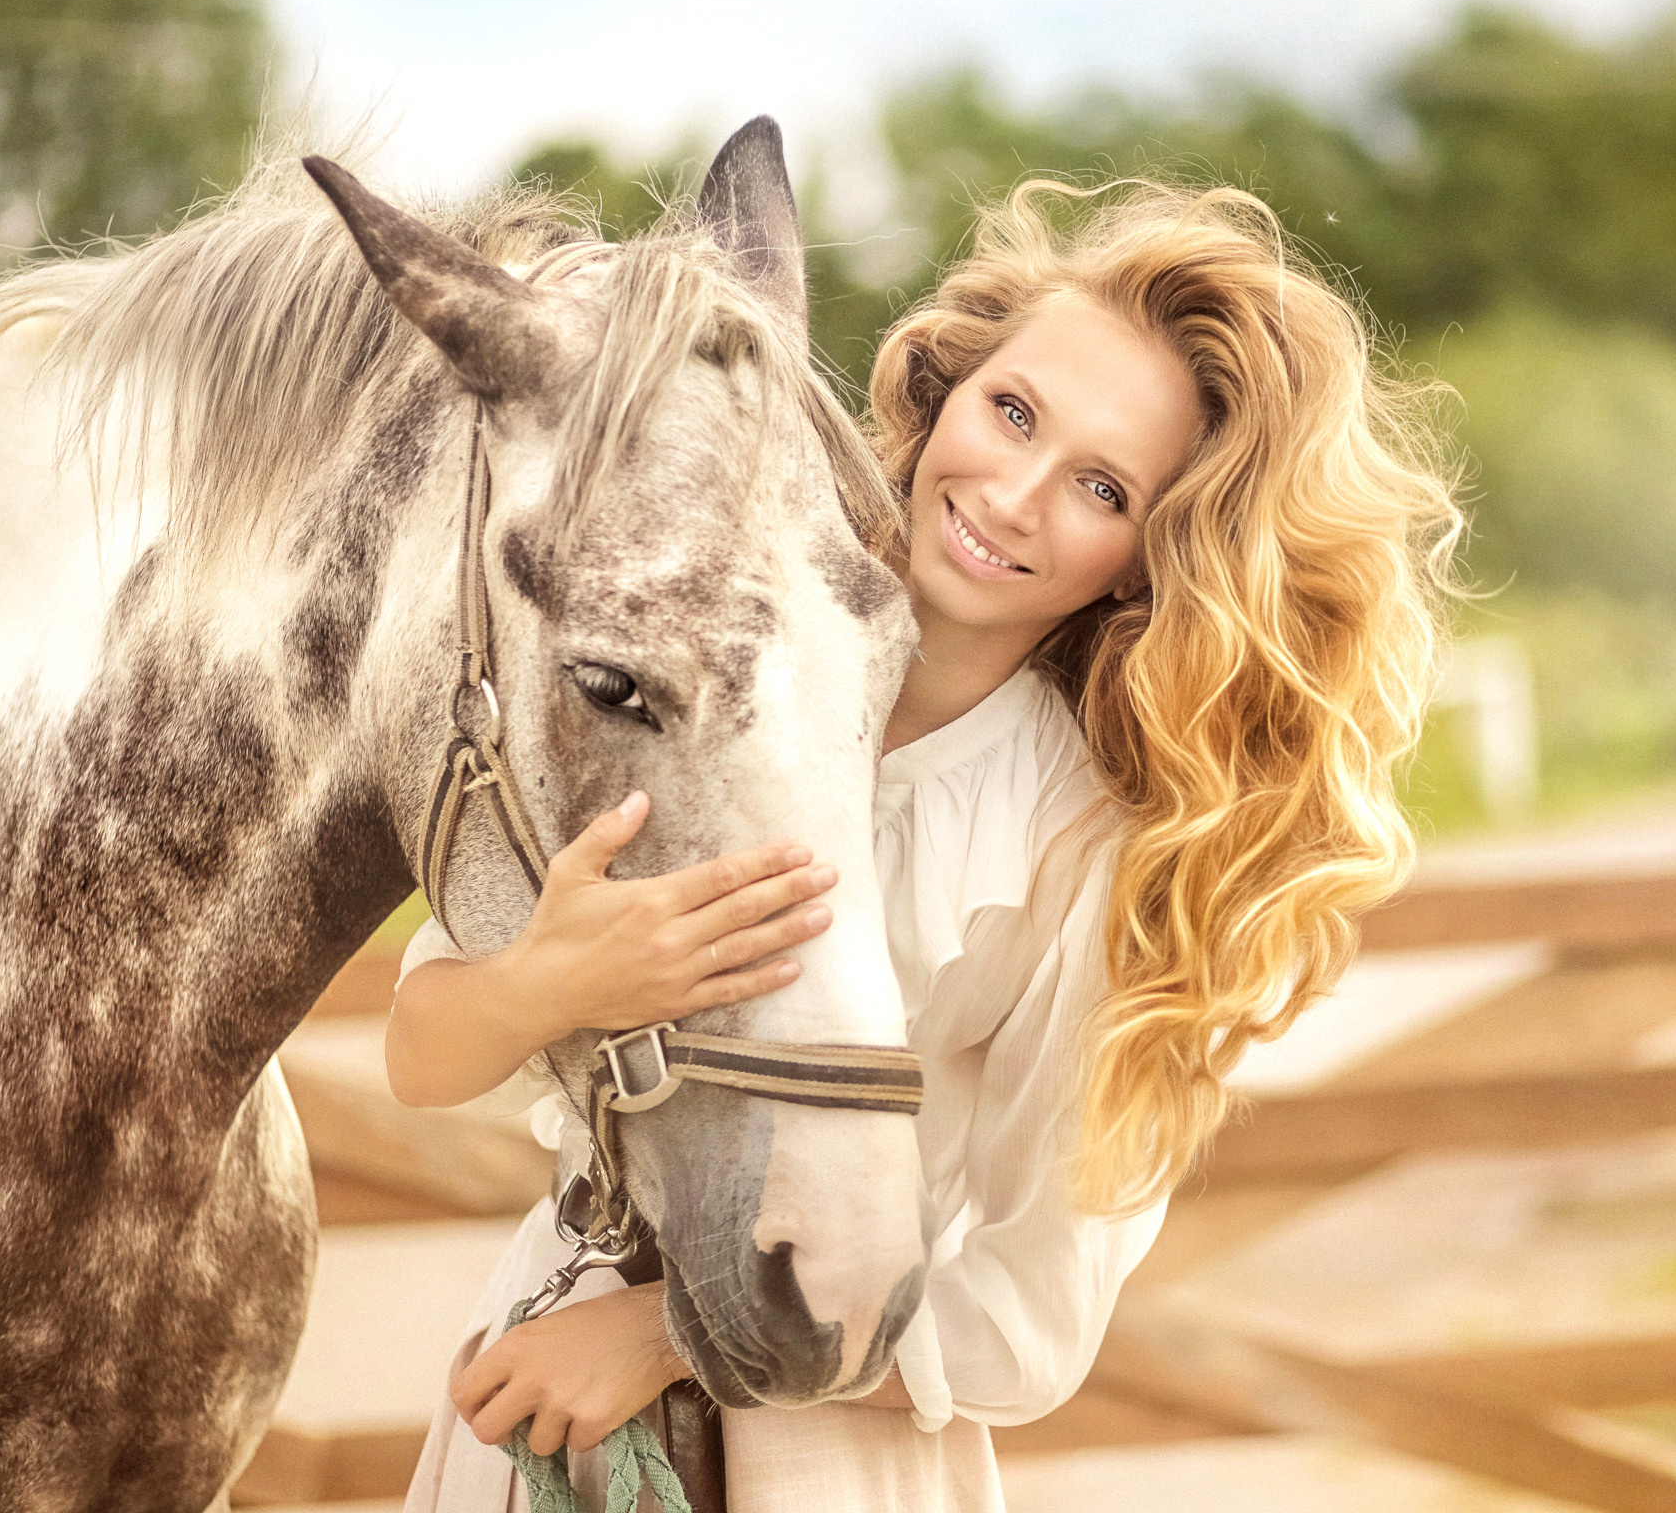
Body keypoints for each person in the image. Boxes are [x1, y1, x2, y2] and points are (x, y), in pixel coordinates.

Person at [389, 175, 1460, 1513]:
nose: (1012, 495)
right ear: (949, 389)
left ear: (1145, 557)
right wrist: (554, 983)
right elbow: (422, 1050)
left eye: (1101, 486)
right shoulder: (701, 677)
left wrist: (660, 1340)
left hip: (820, 1454)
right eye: (1012, 412)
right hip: (538, 1388)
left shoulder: (1084, 842)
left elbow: (1033, 1322)